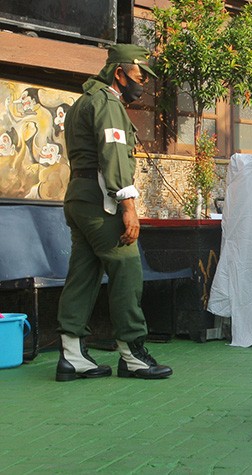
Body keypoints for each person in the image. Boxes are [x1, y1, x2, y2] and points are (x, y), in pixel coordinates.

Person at [55, 44, 172, 381]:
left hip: (78, 198)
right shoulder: (107, 103)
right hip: (102, 201)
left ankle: (72, 355)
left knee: (83, 273)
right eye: (138, 76)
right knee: (127, 270)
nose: (143, 84)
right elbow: (114, 156)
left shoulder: (82, 102)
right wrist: (128, 206)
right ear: (119, 73)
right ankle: (132, 353)